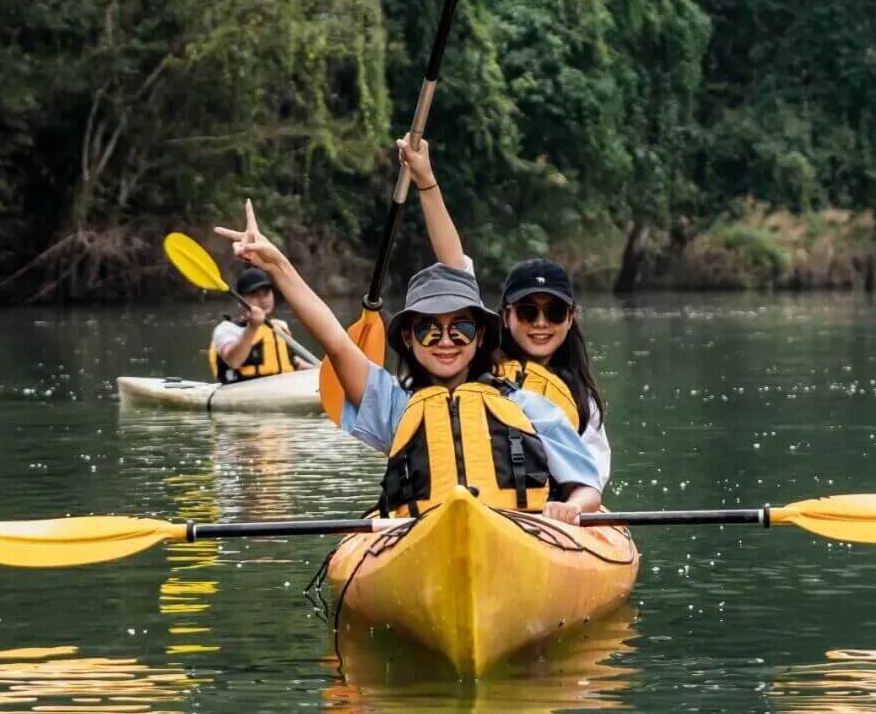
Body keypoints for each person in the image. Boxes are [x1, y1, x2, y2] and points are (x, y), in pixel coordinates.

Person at [215, 202, 602, 524]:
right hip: (423, 541)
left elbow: (586, 486)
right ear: (408, 338)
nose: (446, 341)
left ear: (481, 336)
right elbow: (334, 341)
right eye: (429, 330)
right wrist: (278, 266)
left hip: (521, 539)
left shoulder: (529, 408)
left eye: (461, 328)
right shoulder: (393, 405)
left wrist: (570, 508)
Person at [396, 137, 612, 487]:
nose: (541, 324)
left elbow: (593, 478)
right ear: (505, 316)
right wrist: (426, 180)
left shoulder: (582, 397)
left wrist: (570, 508)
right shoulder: (479, 359)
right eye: (528, 312)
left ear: (570, 318)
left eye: (554, 312)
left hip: (546, 515)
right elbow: (455, 266)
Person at [207, 264, 309, 382]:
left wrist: (320, 369)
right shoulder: (226, 329)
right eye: (255, 295)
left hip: (282, 389)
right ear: (240, 301)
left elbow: (294, 362)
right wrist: (252, 327)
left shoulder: (279, 326)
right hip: (240, 393)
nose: (263, 300)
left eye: (266, 294)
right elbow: (233, 361)